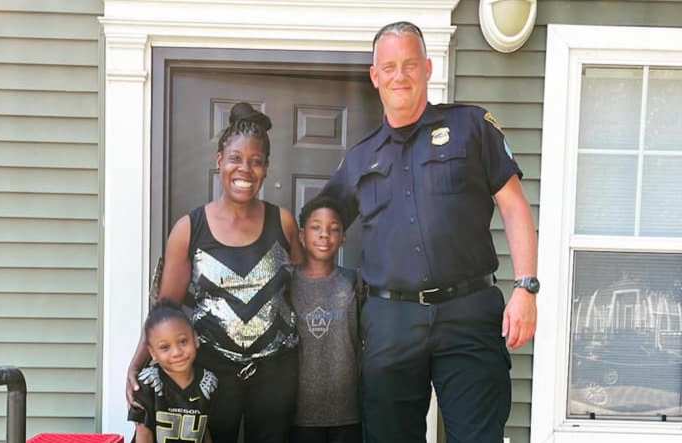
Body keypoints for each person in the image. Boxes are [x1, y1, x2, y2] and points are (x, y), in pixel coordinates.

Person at [319, 21, 539, 443]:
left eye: (409, 64)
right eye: (389, 67)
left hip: (468, 311)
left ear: (428, 67)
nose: (399, 76)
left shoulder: (472, 127)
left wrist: (525, 288)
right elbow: (320, 227)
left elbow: (513, 206)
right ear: (375, 76)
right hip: (391, 321)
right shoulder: (360, 158)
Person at [126, 102, 303, 443]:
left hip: (276, 371)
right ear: (219, 161)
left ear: (266, 168)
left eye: (256, 161)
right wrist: (137, 365)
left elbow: (302, 293)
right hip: (211, 372)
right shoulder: (189, 229)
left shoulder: (283, 222)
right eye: (235, 158)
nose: (245, 169)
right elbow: (166, 310)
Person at [289, 196, 363, 443]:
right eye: (316, 227)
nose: (324, 235)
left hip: (349, 411)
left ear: (343, 238)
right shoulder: (287, 284)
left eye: (334, 229)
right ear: (302, 235)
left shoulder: (354, 282)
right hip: (299, 414)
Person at [129, 300, 217, 443]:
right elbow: (143, 434)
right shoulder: (147, 384)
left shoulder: (208, 382)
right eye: (165, 347)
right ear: (153, 353)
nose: (176, 352)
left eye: (183, 341)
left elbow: (205, 431)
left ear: (195, 339)